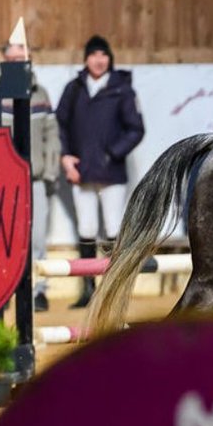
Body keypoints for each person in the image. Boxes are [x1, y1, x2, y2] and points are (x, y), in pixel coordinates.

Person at [56, 35, 145, 308]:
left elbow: (136, 129)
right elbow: (60, 124)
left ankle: (113, 290)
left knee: (113, 227)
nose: (99, 60)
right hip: (80, 173)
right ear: (86, 59)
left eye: (103, 54)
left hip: (111, 174)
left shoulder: (122, 90)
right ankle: (88, 290)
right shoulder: (74, 88)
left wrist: (112, 153)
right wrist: (66, 158)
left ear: (110, 59)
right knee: (86, 228)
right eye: (93, 54)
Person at [0, 40, 61, 312]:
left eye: (21, 57)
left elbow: (52, 135)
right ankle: (5, 290)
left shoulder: (41, 94)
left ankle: (38, 291)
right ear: (4, 61)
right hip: (4, 183)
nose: (17, 62)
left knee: (37, 238)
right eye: (12, 58)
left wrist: (49, 172)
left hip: (35, 180)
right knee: (6, 238)